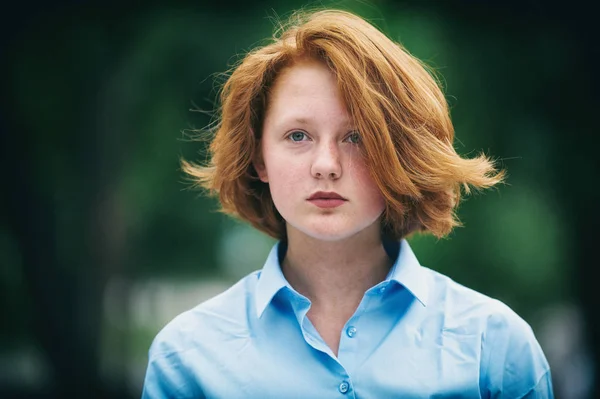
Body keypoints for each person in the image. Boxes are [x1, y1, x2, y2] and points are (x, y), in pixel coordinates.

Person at [141, 9, 553, 398]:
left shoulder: (494, 349)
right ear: (258, 157)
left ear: (401, 155)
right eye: (298, 136)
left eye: (356, 137)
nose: (326, 166)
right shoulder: (186, 359)